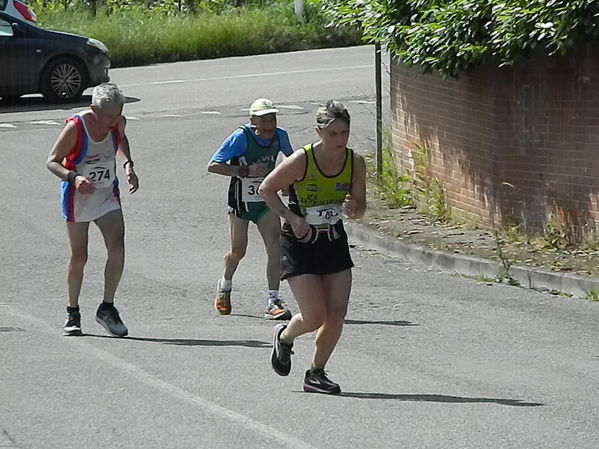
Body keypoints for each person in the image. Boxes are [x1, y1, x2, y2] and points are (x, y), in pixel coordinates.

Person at [259, 100, 366, 394]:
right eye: (333, 134)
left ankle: (315, 373)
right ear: (318, 132)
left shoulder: (354, 161)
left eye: (344, 133)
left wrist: (355, 207)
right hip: (300, 243)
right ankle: (284, 337)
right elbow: (266, 189)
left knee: (337, 314)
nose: (340, 140)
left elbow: (360, 205)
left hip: (333, 241)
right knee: (315, 315)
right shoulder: (302, 159)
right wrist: (292, 218)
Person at [46, 82, 139, 337]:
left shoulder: (118, 122)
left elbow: (121, 141)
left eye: (118, 114)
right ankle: (72, 311)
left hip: (107, 194)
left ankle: (107, 308)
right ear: (93, 110)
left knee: (117, 247)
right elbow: (51, 162)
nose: (114, 120)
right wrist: (74, 177)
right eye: (108, 115)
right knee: (79, 256)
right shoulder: (76, 128)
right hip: (78, 198)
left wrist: (128, 165)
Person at [207, 98, 293, 320]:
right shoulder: (240, 138)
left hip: (266, 201)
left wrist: (287, 182)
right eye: (264, 119)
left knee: (275, 246)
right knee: (238, 251)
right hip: (241, 202)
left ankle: (272, 301)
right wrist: (246, 170)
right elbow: (214, 165)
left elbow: (291, 162)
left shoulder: (280, 136)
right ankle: (225, 285)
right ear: (253, 120)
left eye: (272, 118)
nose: (270, 124)